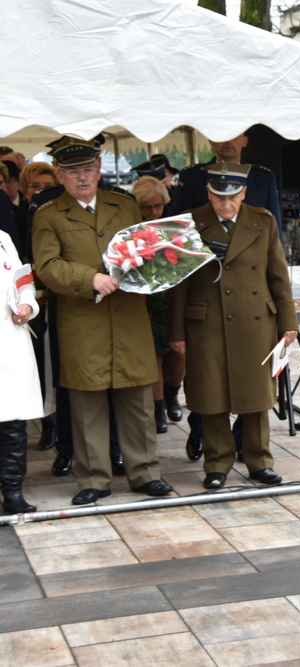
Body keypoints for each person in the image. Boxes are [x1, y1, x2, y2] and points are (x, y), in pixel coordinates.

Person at [32, 136, 173, 505]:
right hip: (84, 321)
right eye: (73, 171)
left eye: (88, 170)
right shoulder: (48, 215)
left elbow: (143, 249)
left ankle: (145, 474)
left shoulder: (125, 206)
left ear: (98, 170)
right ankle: (93, 478)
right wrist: (88, 278)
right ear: (60, 175)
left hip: (127, 317)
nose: (82, 177)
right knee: (86, 403)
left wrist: (153, 267)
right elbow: (46, 266)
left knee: (138, 399)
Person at [167, 163, 297, 489]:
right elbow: (178, 282)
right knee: (211, 397)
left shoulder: (262, 221)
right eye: (218, 197)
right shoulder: (191, 224)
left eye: (233, 197)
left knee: (256, 397)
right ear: (209, 193)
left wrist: (288, 322)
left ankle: (258, 461)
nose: (226, 205)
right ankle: (217, 464)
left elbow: (278, 276)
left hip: (256, 320)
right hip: (206, 321)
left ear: (244, 193)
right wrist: (177, 331)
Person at [132, 176, 185, 431]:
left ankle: (173, 395)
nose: (153, 212)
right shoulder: (129, 231)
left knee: (177, 355)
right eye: (147, 207)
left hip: (173, 300)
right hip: (144, 303)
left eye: (158, 206)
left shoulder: (175, 227)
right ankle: (158, 408)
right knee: (153, 358)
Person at [1, 227, 43, 514]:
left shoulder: (2, 239)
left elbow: (22, 282)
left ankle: (13, 490)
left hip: (9, 341)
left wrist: (27, 305)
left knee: (13, 422)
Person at [172, 133, 282, 228]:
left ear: (245, 141)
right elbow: (179, 225)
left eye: (234, 135)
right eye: (222, 135)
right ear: (211, 140)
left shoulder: (263, 179)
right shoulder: (192, 177)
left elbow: (274, 227)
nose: (228, 141)